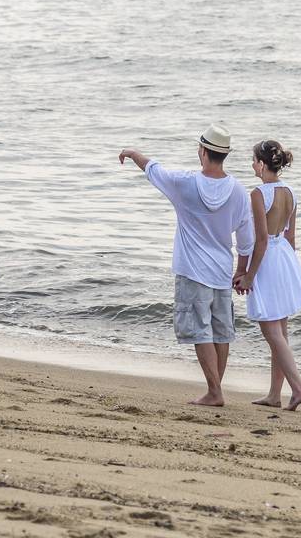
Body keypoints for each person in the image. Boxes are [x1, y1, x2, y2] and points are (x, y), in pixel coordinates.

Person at [119, 124, 251, 406]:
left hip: (192, 270)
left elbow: (154, 169)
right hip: (221, 270)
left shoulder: (185, 183)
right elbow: (246, 240)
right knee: (221, 331)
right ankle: (215, 389)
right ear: (224, 155)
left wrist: (133, 153)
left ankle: (215, 392)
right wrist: (243, 271)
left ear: (202, 151)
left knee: (200, 330)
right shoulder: (239, 191)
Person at [234, 140, 301, 411]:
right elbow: (290, 237)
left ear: (262, 163)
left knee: (272, 332)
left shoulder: (258, 193)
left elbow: (260, 241)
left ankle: (299, 388)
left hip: (267, 261)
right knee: (281, 332)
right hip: (285, 259)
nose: (252, 165)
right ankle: (274, 395)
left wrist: (248, 275)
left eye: (254, 160)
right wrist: (290, 273)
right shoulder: (291, 191)